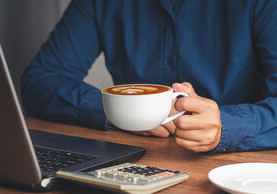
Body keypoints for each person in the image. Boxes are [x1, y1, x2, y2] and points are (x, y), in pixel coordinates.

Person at [21, 0, 277, 153]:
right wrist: (118, 111)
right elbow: (39, 82)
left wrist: (226, 126)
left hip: (235, 172)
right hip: (128, 161)